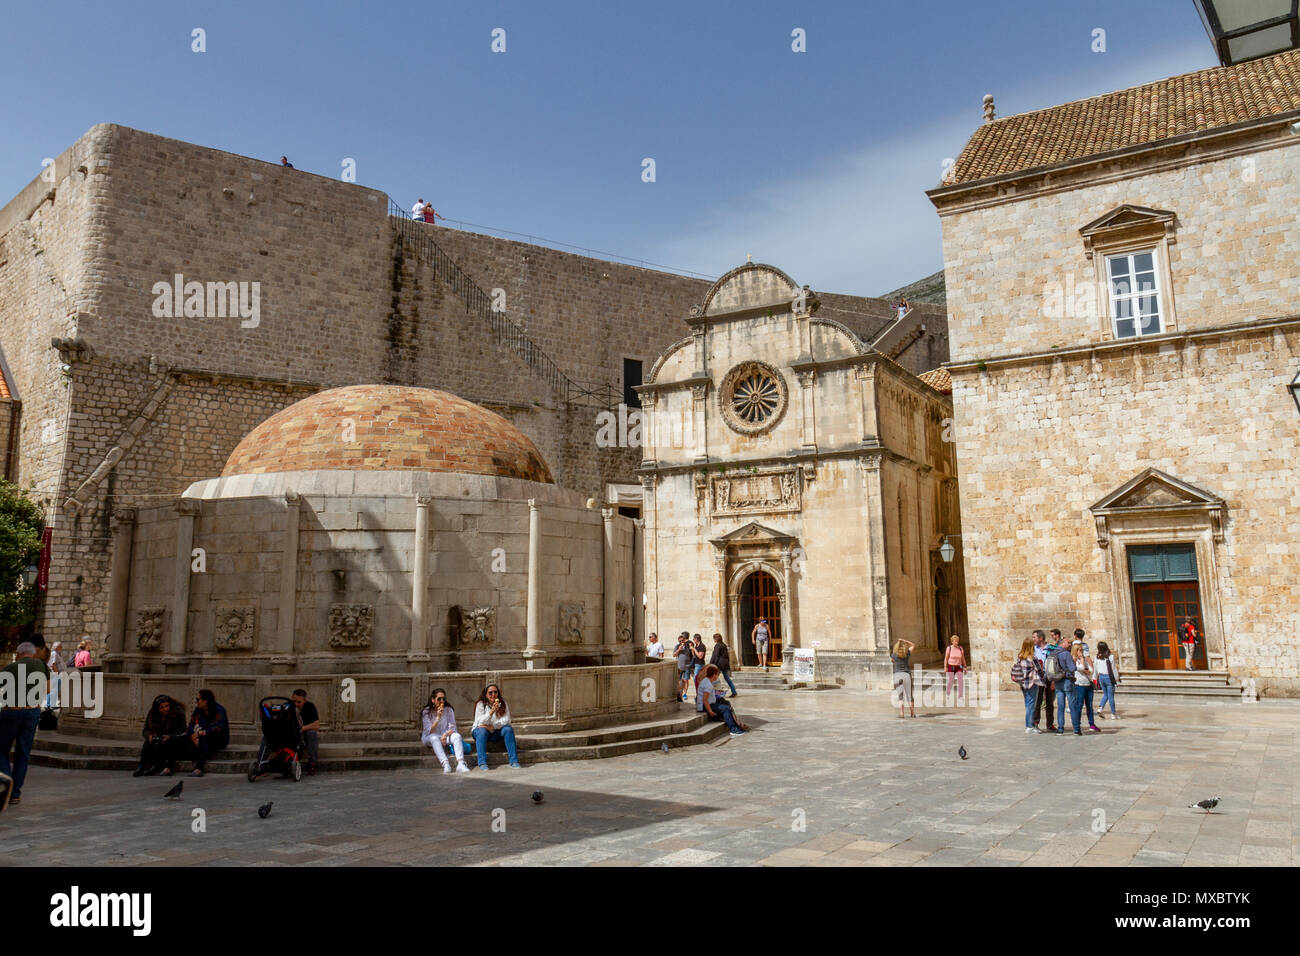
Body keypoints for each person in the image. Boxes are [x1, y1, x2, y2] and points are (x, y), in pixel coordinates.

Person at [0, 642, 48, 804]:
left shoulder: (10, 668)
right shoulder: (41, 665)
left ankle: (7, 784)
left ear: (19, 653)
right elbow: (47, 689)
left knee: (2, 750)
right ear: (33, 653)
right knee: (23, 753)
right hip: (32, 711)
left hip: (12, 711)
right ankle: (15, 794)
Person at [134, 695, 187, 776]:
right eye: (161, 708)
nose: (165, 709)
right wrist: (149, 735)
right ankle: (142, 766)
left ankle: (158, 765)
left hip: (174, 736)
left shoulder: (178, 711)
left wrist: (170, 736)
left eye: (167, 706)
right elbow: (145, 730)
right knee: (149, 742)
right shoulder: (152, 713)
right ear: (157, 709)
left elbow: (183, 729)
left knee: (168, 742)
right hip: (160, 734)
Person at [420, 688, 469, 774]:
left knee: (457, 736)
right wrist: (438, 717)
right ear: (433, 700)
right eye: (439, 699)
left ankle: (461, 764)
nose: (442, 701)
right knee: (434, 737)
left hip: (445, 736)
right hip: (430, 737)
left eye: (443, 699)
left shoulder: (448, 709)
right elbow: (429, 731)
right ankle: (445, 764)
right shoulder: (426, 712)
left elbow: (452, 727)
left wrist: (445, 735)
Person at [471, 683, 520, 769]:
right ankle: (482, 762)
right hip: (480, 732)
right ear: (486, 694)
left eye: (495, 692)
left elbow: (507, 720)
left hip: (496, 732)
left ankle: (514, 761)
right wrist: (492, 711)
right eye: (490, 692)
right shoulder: (481, 704)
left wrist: (493, 727)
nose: (493, 694)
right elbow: (480, 722)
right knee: (482, 731)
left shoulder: (503, 703)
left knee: (508, 729)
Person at [185, 688, 229, 776]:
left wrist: (203, 733)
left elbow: (218, 728)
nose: (197, 701)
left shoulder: (219, 710)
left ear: (205, 701)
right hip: (199, 736)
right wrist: (192, 735)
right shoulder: (198, 710)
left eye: (198, 699)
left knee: (203, 740)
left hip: (218, 739)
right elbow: (191, 725)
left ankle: (199, 768)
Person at [697, 665, 746, 736]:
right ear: (714, 675)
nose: (717, 677)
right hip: (704, 706)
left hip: (704, 704)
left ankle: (735, 725)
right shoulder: (708, 684)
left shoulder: (705, 681)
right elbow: (705, 699)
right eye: (717, 675)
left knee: (725, 704)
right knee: (726, 708)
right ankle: (733, 729)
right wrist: (710, 711)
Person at [1010, 637, 1044, 733]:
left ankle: (1031, 724)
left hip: (1023, 683)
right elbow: (1039, 671)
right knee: (1031, 704)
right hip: (1032, 683)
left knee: (1028, 704)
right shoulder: (1033, 658)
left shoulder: (1020, 657)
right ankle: (1029, 726)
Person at [1051, 637, 1078, 734]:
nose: (1069, 644)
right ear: (1062, 643)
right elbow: (1072, 668)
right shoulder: (1066, 654)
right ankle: (1076, 729)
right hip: (1067, 681)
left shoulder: (1052, 653)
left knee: (1060, 706)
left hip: (1058, 681)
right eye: (1067, 642)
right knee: (1072, 705)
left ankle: (1060, 729)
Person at [291, 689, 321, 774]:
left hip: (305, 734)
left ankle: (312, 764)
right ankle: (260, 765)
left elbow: (317, 725)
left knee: (312, 733)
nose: (296, 704)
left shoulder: (310, 706)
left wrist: (302, 728)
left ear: (304, 701)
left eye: (299, 702)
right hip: (291, 734)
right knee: (267, 735)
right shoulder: (289, 706)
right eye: (294, 701)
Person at [1031, 630, 1055, 732]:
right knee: (1037, 701)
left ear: (1041, 638)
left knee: (1050, 701)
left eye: (1034, 637)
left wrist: (1053, 681)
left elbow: (1054, 664)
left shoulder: (1051, 649)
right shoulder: (1033, 650)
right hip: (1038, 678)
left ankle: (1050, 724)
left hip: (1049, 677)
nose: (1033, 639)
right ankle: (1035, 723)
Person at [1073, 641, 1099, 733]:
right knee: (1079, 705)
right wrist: (1081, 661)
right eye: (1079, 650)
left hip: (1088, 684)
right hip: (1079, 685)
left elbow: (1091, 670)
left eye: (1082, 650)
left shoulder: (1083, 659)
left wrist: (1085, 669)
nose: (1081, 652)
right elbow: (1080, 668)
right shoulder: (1074, 660)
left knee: (1090, 706)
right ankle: (1077, 726)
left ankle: (1092, 724)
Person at [891, 638, 916, 718]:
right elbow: (913, 645)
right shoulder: (907, 653)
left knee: (900, 696)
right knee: (910, 695)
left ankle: (901, 713)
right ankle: (912, 713)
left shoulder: (894, 655)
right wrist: (905, 641)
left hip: (898, 675)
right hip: (907, 674)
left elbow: (892, 661)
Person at [709, 633, 738, 697]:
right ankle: (734, 691)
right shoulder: (724, 645)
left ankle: (716, 693)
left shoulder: (718, 645)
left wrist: (712, 664)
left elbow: (716, 656)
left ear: (715, 639)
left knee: (714, 679)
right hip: (724, 664)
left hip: (719, 664)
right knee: (727, 678)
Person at [1095, 642, 1120, 719]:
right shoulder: (1110, 657)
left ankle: (1100, 708)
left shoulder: (1096, 657)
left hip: (1101, 677)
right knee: (1111, 696)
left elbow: (1096, 669)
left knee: (1106, 694)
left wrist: (1095, 677)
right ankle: (1113, 714)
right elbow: (1113, 669)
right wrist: (1117, 679)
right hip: (1109, 677)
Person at [943, 634, 965, 705]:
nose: (956, 642)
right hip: (951, 666)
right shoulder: (949, 648)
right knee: (951, 681)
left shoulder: (960, 648)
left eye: (957, 641)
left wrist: (965, 666)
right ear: (952, 641)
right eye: (955, 641)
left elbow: (963, 658)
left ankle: (960, 696)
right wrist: (945, 667)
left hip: (959, 666)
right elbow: (946, 658)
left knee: (960, 681)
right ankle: (948, 694)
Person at [674, 633, 693, 701]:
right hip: (679, 666)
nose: (681, 642)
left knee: (686, 680)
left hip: (687, 666)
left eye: (682, 640)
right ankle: (680, 693)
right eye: (680, 641)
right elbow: (674, 655)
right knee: (679, 681)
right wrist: (679, 649)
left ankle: (685, 693)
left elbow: (692, 655)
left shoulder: (688, 646)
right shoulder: (677, 646)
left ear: (684, 640)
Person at [46, 642, 64, 711]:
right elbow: (53, 664)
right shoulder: (54, 653)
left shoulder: (57, 654)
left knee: (54, 690)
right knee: (54, 690)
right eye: (60, 646)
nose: (61, 648)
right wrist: (57, 674)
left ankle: (50, 704)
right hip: (55, 674)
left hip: (56, 674)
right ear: (56, 647)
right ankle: (50, 705)